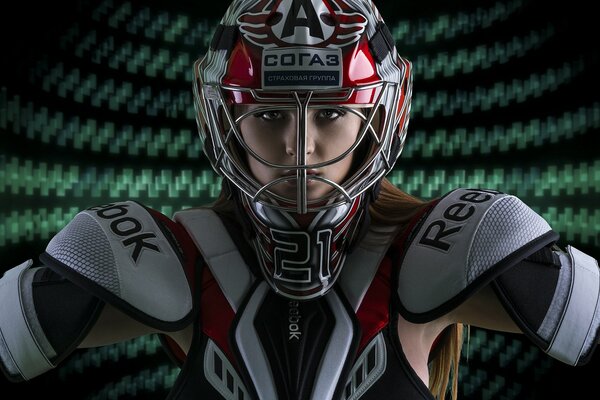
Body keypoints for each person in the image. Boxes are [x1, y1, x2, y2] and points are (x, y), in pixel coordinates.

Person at [1, 0, 598, 399]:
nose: (300, 147)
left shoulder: (437, 248)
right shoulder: (182, 260)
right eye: (267, 114)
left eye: (334, 112)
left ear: (379, 116)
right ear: (226, 118)